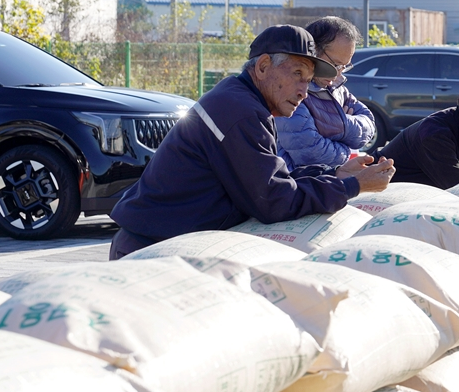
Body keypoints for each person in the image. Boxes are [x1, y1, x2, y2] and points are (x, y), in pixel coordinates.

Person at [109, 25, 395, 259]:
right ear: (262, 66)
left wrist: (336, 174)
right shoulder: (242, 112)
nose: (303, 91)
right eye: (297, 74)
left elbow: (270, 178)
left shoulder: (242, 100)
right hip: (150, 252)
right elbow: (273, 201)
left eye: (308, 80)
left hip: (163, 244)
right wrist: (353, 186)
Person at [274, 17, 377, 169]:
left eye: (344, 66)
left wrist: (342, 124)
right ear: (313, 51)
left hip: (327, 184)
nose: (338, 74)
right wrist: (348, 150)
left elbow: (369, 124)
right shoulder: (290, 89)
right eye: (334, 65)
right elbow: (311, 153)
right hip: (293, 185)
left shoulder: (337, 88)